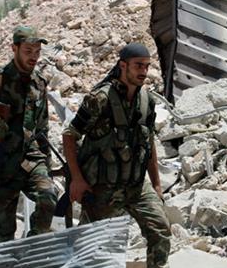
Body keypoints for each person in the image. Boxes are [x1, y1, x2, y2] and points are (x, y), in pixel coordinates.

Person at [62, 43, 171, 268]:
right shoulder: (99, 99)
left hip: (137, 185)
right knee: (92, 245)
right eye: (138, 66)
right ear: (123, 65)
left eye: (147, 66)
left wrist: (157, 185)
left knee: (160, 229)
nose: (143, 71)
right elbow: (70, 135)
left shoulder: (146, 100)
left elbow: (148, 143)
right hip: (104, 187)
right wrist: (77, 179)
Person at [0, 25, 56, 244]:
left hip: (31, 158)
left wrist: (47, 163)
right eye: (28, 51)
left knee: (48, 197)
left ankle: (34, 247)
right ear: (14, 49)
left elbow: (42, 126)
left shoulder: (39, 83)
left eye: (37, 52)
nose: (34, 57)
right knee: (3, 233)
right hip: (2, 161)